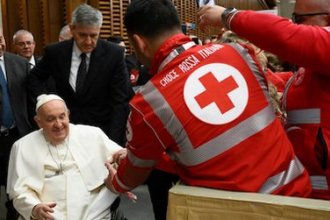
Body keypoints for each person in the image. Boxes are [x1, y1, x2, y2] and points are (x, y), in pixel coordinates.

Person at [104, 0, 312, 219]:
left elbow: (133, 175)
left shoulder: (149, 102)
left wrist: (115, 183)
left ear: (139, 42)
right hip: (296, 200)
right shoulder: (239, 52)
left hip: (234, 212)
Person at [197, 0, 330, 200]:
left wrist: (229, 16)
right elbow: (302, 87)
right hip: (310, 181)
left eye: (299, 19)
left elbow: (290, 37)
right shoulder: (314, 64)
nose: (295, 25)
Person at [28, 4, 130, 147]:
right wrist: (43, 102)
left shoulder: (114, 54)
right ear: (72, 28)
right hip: (65, 132)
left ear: (99, 30)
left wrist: (113, 142)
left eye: (93, 35)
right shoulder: (55, 52)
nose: (88, 41)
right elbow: (35, 77)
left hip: (102, 133)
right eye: (82, 35)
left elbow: (121, 101)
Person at [7, 94, 122, 220]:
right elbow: (19, 192)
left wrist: (122, 160)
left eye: (62, 117)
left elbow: (121, 159)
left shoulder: (92, 135)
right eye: (50, 119)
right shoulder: (22, 146)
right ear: (38, 122)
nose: (58, 124)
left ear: (68, 114)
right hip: (48, 216)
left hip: (93, 213)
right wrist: (34, 208)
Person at [0, 27, 31, 220]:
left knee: (17, 184)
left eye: (0, 38)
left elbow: (30, 100)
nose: (0, 44)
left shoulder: (19, 64)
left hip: (17, 135)